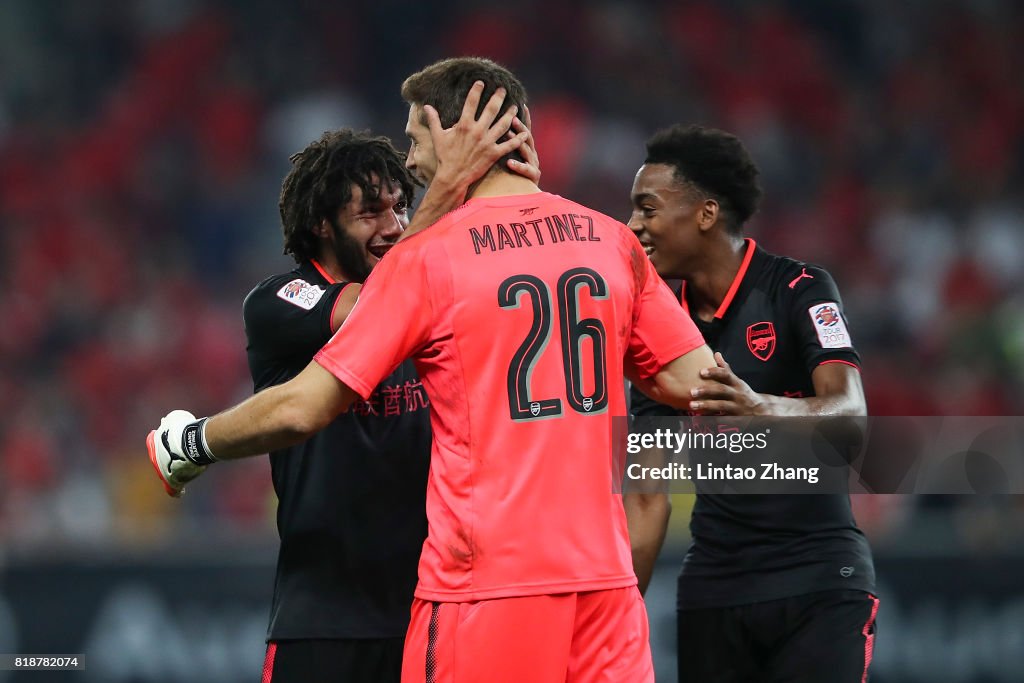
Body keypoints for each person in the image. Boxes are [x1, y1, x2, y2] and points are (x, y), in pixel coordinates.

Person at [148, 57, 716, 683]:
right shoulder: (613, 240)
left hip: (482, 590)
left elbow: (302, 405)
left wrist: (192, 444)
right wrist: (821, 456)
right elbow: (705, 392)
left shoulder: (432, 262)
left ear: (455, 137)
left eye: (417, 142)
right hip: (593, 591)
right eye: (372, 210)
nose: (414, 164)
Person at [160, 87, 540, 683]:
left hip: (429, 611)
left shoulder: (431, 301)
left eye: (399, 208)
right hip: (324, 620)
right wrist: (448, 188)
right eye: (371, 213)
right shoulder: (281, 301)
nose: (393, 226)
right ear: (320, 225)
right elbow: (376, 306)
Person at [626, 124, 878, 683]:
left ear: (706, 214)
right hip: (715, 587)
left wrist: (762, 409)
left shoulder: (801, 289)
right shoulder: (659, 328)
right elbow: (647, 494)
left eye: (647, 208)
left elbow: (850, 418)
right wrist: (617, 612)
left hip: (820, 579)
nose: (633, 226)